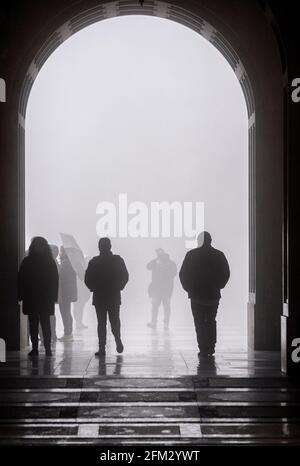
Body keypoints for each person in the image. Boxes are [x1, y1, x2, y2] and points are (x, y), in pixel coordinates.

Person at [179, 231, 230, 357]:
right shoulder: (219, 255)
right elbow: (226, 273)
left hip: (196, 295)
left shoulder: (191, 255)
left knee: (199, 322)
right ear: (210, 240)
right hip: (213, 295)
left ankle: (203, 347)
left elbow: (183, 274)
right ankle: (211, 347)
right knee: (211, 321)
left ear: (198, 241)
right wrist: (219, 286)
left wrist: (189, 289)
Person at [84, 237, 129, 356]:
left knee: (101, 323)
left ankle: (102, 347)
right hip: (114, 295)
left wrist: (93, 288)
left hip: (99, 296)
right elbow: (125, 276)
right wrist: (119, 287)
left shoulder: (94, 261)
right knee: (115, 320)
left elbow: (87, 279)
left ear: (99, 247)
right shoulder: (118, 260)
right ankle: (118, 339)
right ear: (110, 246)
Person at [18, 237, 59, 357]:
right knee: (45, 323)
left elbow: (21, 279)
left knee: (33, 324)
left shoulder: (27, 261)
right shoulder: (49, 261)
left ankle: (35, 348)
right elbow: (54, 280)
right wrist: (53, 296)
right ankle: (47, 349)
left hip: (31, 297)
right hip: (45, 298)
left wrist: (21, 295)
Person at [146, 248, 177, 330]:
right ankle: (154, 322)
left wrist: (163, 270)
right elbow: (148, 266)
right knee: (155, 306)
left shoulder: (171, 263)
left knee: (166, 306)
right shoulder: (156, 262)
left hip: (166, 289)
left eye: (160, 253)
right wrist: (155, 261)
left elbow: (173, 273)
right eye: (157, 254)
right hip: (156, 289)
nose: (158, 255)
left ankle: (166, 323)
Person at [58, 246, 77, 341]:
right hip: (68, 292)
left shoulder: (66, 264)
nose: (59, 253)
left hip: (65, 292)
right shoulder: (68, 262)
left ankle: (67, 333)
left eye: (61, 251)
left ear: (64, 252)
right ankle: (68, 333)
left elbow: (62, 277)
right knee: (66, 312)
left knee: (65, 312)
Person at [73, 256, 91, 330]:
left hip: (82, 292)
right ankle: (78, 322)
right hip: (78, 292)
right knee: (78, 307)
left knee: (80, 307)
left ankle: (79, 322)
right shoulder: (80, 270)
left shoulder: (86, 270)